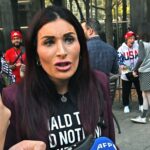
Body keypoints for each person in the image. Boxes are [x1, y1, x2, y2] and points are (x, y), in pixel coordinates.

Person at [2, 6, 116, 149]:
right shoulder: (12, 99)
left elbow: (110, 142)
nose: (62, 52)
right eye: (49, 42)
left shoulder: (99, 82)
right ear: (35, 52)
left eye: (69, 39)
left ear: (80, 45)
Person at [118, 31, 143, 113]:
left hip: (137, 71)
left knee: (140, 89)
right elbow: (120, 63)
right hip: (127, 74)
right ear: (126, 39)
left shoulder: (138, 46)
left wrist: (137, 70)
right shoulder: (121, 49)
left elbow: (142, 57)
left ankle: (141, 104)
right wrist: (129, 72)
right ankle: (126, 105)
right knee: (126, 91)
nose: (132, 40)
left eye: (133, 38)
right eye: (130, 38)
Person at [131, 27, 150, 123]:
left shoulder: (142, 43)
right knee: (144, 94)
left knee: (147, 94)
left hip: (145, 71)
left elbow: (141, 58)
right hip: (147, 71)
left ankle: (144, 117)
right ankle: (144, 116)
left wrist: (135, 69)